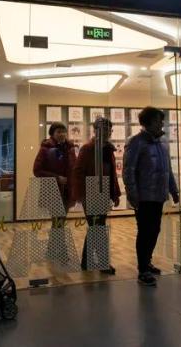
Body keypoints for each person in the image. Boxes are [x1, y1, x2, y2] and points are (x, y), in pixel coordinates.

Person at [123, 107, 180, 286]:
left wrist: (174, 190)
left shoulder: (162, 143)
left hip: (158, 196)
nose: (161, 123)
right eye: (158, 120)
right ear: (148, 122)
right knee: (145, 231)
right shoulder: (136, 142)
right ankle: (143, 269)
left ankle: (147, 262)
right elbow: (129, 170)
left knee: (154, 230)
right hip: (144, 197)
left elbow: (167, 170)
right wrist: (133, 194)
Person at [71, 117, 120, 274]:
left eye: (108, 129)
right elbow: (78, 172)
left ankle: (87, 262)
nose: (106, 132)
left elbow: (112, 174)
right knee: (97, 227)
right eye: (103, 129)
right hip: (91, 191)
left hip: (103, 191)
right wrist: (82, 195)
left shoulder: (108, 149)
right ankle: (101, 263)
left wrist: (115, 194)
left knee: (96, 227)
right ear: (96, 131)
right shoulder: (88, 148)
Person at [33, 122, 77, 210]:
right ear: (52, 134)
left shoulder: (70, 148)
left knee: (63, 215)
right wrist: (57, 177)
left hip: (68, 190)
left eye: (64, 131)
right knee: (56, 216)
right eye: (59, 132)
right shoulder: (46, 148)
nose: (62, 134)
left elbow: (74, 166)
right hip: (52, 190)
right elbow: (37, 170)